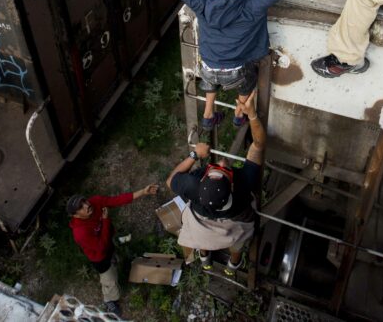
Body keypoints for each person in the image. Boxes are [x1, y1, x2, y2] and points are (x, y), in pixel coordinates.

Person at [173, 0, 285, 131]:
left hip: (208, 70)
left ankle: (208, 115)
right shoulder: (252, 4)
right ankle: (239, 115)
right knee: (249, 79)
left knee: (211, 71)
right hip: (236, 73)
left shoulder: (202, 3)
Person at [168, 94, 264, 276]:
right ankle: (232, 265)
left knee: (202, 237)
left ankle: (205, 259)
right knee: (237, 244)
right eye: (223, 170)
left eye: (214, 168)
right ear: (232, 188)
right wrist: (252, 115)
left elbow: (170, 180)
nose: (221, 163)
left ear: (201, 182)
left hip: (200, 230)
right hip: (233, 228)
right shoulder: (243, 187)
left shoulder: (193, 186)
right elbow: (258, 145)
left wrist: (194, 155)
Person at [67, 184, 160, 315]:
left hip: (108, 244)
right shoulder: (80, 233)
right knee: (111, 283)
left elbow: (117, 200)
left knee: (113, 260)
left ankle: (113, 263)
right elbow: (101, 247)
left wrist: (143, 192)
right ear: (75, 215)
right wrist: (105, 221)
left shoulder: (95, 202)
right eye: (81, 207)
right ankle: (109, 300)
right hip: (99, 258)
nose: (87, 206)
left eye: (85, 202)